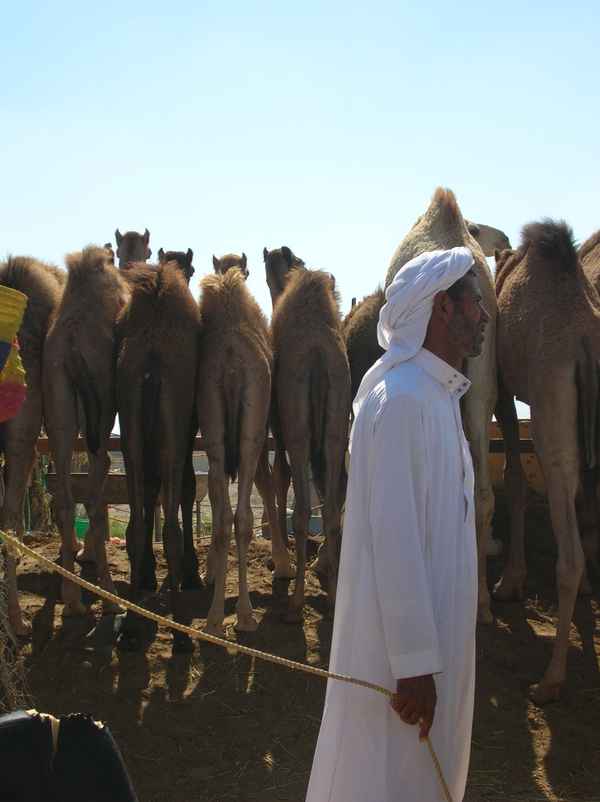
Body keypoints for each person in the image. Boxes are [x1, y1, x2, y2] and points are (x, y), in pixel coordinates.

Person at [305, 247, 489, 802]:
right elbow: (395, 539)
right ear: (443, 308)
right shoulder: (402, 401)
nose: (484, 315)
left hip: (435, 642)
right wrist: (413, 666)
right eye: (475, 302)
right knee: (384, 772)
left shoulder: (434, 396)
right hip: (401, 663)